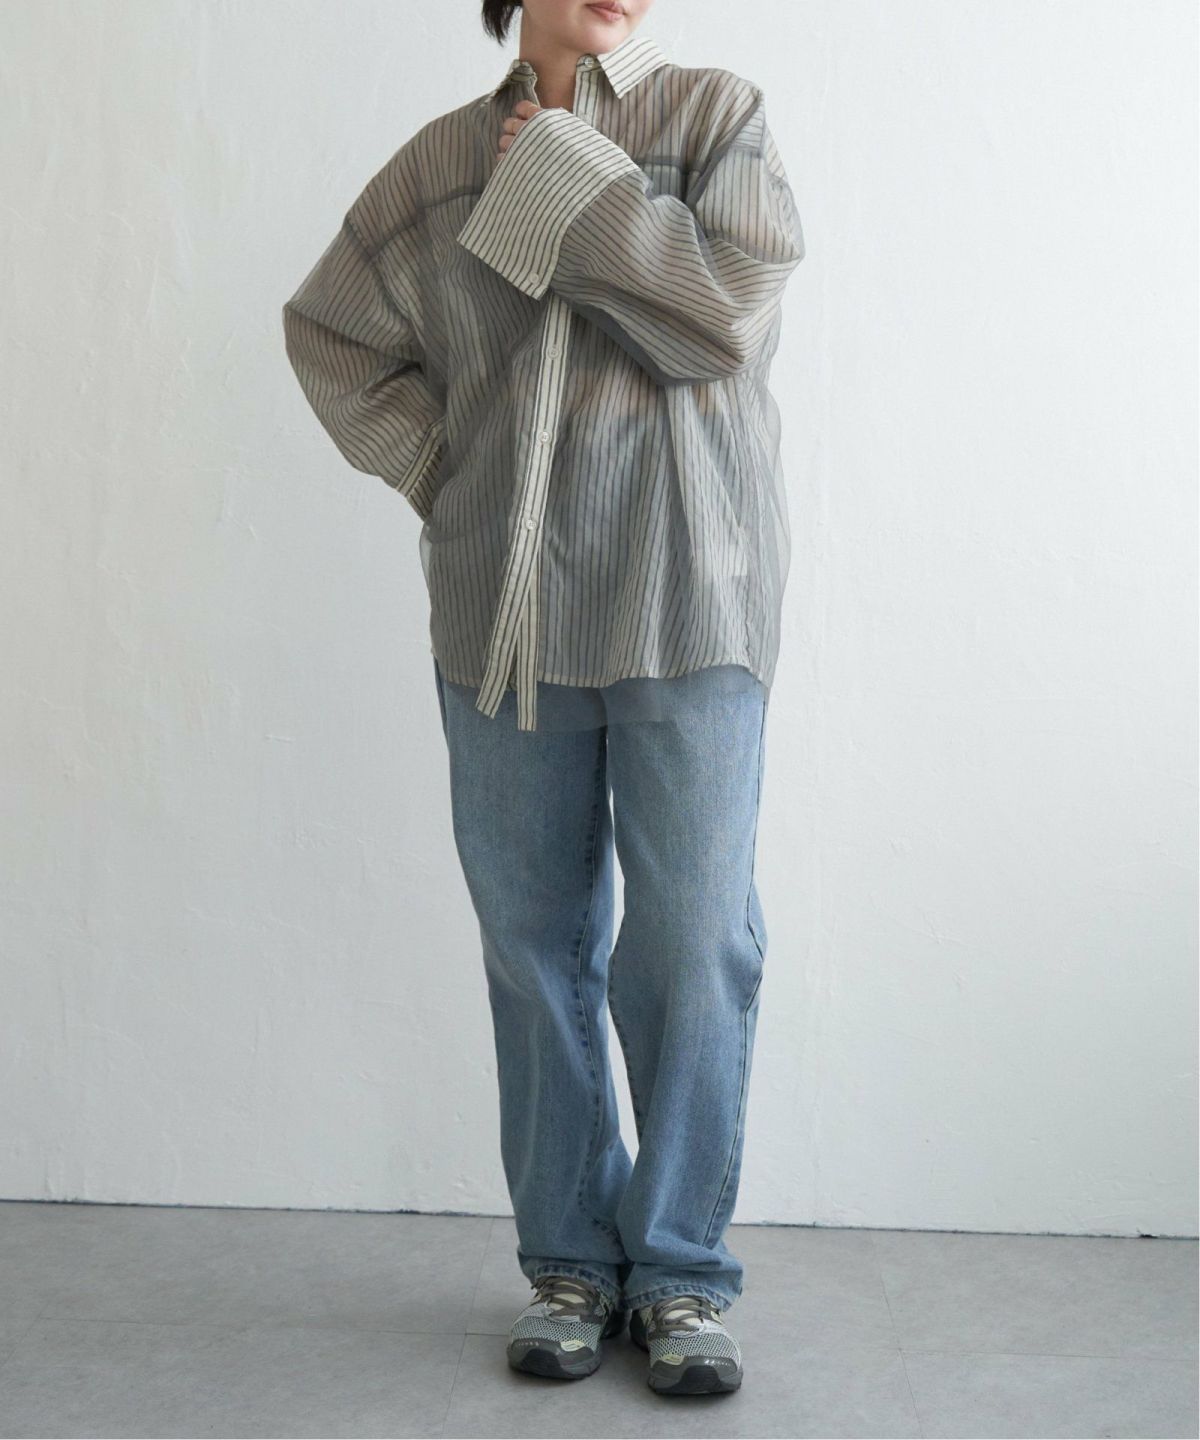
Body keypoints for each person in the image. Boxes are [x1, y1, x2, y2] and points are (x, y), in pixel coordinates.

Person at [282, 0, 805, 1397]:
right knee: (534, 945)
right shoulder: (441, 167)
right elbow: (331, 334)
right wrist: (447, 469)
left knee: (694, 942)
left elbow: (722, 320)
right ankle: (571, 1259)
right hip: (505, 611)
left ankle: (679, 1269)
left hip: (691, 589)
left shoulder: (715, 119)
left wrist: (571, 179)